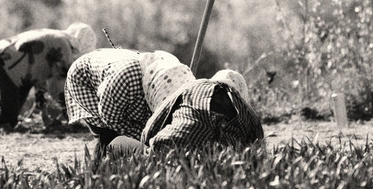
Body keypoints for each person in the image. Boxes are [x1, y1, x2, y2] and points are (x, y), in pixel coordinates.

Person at [64, 48, 264, 159]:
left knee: (145, 152)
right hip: (90, 85)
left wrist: (146, 141)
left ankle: (113, 158)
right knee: (108, 135)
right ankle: (104, 159)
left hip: (169, 144)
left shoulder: (192, 90)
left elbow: (153, 126)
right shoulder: (247, 115)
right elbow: (258, 144)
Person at [0, 22, 97, 129]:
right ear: (81, 44)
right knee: (7, 118)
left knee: (10, 117)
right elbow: (58, 87)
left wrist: (44, 112)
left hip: (2, 59)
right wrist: (71, 117)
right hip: (6, 64)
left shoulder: (55, 36)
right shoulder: (63, 46)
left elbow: (43, 81)